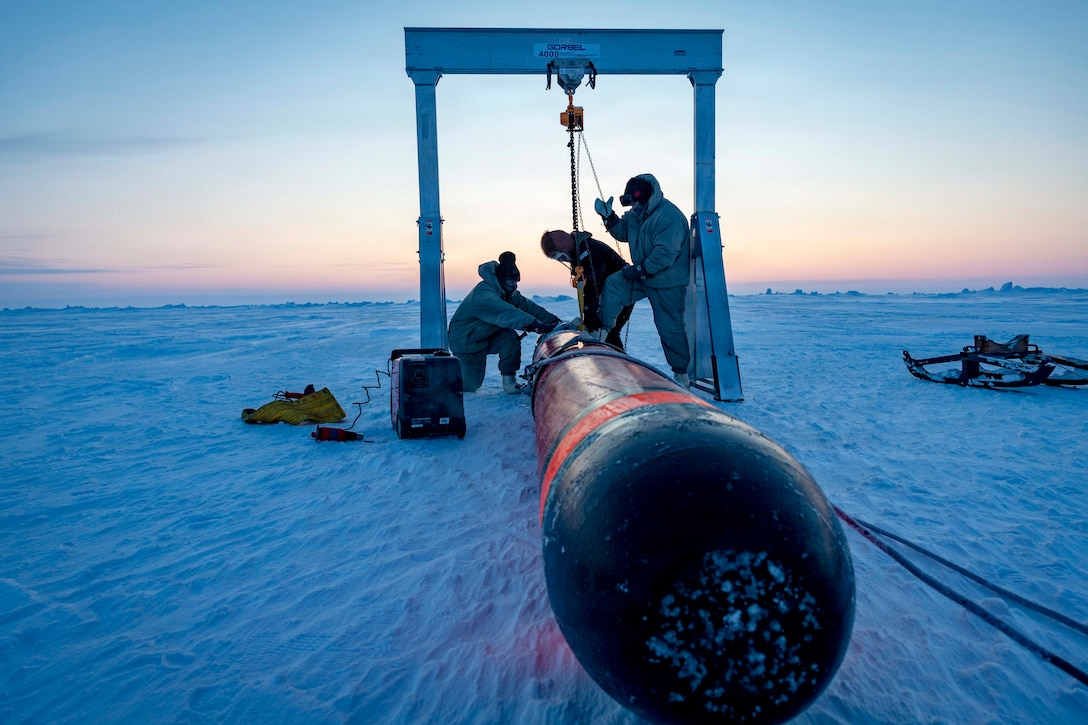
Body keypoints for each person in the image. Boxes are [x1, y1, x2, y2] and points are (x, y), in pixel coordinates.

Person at [594, 173, 692, 386]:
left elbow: (664, 255)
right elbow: (623, 233)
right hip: (643, 275)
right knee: (613, 285)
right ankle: (601, 333)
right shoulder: (636, 214)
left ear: (648, 197)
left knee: (669, 327)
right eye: (631, 204)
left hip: (668, 281)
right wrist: (609, 217)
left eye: (637, 203)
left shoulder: (669, 216)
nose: (634, 208)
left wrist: (638, 270)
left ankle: (681, 374)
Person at [448, 251, 561, 394]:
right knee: (469, 386)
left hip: (488, 336)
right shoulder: (484, 295)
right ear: (501, 280)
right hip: (467, 341)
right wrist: (537, 326)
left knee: (509, 337)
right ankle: (442, 381)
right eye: (511, 282)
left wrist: (556, 322)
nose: (515, 286)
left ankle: (509, 382)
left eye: (516, 282)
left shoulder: (508, 293)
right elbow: (508, 313)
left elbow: (530, 308)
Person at [540, 229, 634, 350]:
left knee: (608, 333)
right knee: (607, 334)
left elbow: (592, 284)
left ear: (562, 246)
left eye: (557, 257)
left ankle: (615, 364)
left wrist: (590, 312)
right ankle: (612, 362)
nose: (561, 260)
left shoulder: (590, 252)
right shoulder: (579, 253)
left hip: (621, 292)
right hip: (609, 294)